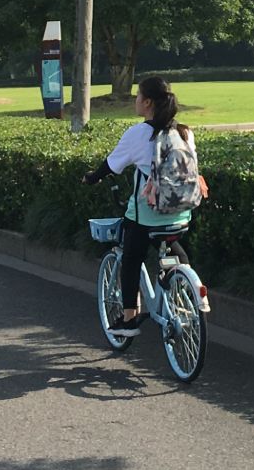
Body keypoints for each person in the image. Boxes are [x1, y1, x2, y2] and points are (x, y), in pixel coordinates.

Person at [82, 76, 199, 338]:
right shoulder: (184, 132)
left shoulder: (138, 133)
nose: (135, 100)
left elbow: (111, 165)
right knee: (175, 248)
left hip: (149, 214)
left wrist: (91, 178)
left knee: (132, 257)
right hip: (182, 212)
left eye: (137, 96)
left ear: (147, 103)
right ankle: (185, 294)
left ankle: (129, 319)